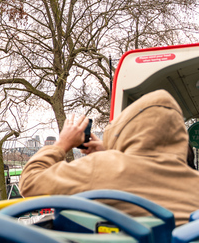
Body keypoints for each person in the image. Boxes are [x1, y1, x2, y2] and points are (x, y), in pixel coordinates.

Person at [20, 89, 199, 225]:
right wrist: (112, 150)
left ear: (127, 130)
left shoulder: (103, 168)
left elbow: (29, 181)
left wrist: (62, 143)